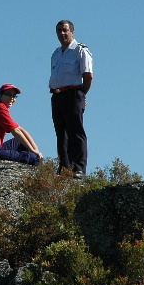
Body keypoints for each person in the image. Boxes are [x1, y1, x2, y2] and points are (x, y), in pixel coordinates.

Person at [49, 19, 93, 178]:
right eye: (59, 31)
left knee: (76, 132)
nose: (62, 33)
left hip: (73, 94)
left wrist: (81, 95)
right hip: (57, 95)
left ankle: (79, 168)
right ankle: (64, 169)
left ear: (72, 32)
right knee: (61, 134)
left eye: (65, 30)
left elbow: (88, 76)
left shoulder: (80, 50)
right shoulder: (56, 53)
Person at [0, 83, 44, 165]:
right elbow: (15, 131)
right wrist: (34, 153)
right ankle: (33, 175)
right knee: (33, 158)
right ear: (0, 95)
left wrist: (36, 150)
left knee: (21, 142)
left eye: (14, 96)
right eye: (8, 94)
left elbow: (21, 130)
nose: (11, 98)